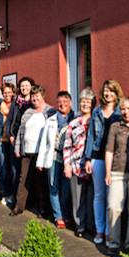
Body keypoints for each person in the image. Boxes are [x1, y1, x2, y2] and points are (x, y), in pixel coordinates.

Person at [83, 79, 124, 244]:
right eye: (106, 91)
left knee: (112, 198)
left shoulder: (121, 111)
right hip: (98, 158)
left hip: (115, 159)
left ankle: (109, 232)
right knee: (99, 195)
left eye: (111, 91)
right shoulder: (97, 111)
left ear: (116, 93)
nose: (108, 94)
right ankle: (100, 230)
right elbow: (91, 136)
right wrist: (87, 158)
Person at [105, 97, 129, 254]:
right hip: (117, 172)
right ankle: (113, 242)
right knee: (114, 207)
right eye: (123, 109)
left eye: (128, 108)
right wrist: (108, 173)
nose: (126, 112)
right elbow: (109, 150)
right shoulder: (115, 127)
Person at [10, 85, 51, 217]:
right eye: (32, 96)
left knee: (40, 181)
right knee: (23, 179)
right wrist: (17, 148)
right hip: (27, 151)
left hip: (41, 153)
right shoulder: (28, 112)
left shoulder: (50, 112)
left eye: (37, 96)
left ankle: (43, 209)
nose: (34, 98)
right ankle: (19, 206)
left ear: (42, 96)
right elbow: (21, 132)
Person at [37, 91, 75, 228]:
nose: (62, 104)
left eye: (65, 101)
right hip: (53, 156)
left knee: (66, 189)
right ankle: (58, 216)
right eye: (60, 101)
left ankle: (66, 214)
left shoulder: (75, 119)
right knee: (53, 186)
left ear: (70, 103)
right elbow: (44, 143)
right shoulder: (51, 120)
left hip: (69, 159)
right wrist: (40, 162)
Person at [63, 88, 95, 237]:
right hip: (76, 165)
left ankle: (91, 226)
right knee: (78, 198)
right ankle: (80, 226)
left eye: (88, 101)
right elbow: (67, 145)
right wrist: (67, 165)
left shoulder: (96, 120)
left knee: (92, 197)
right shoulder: (74, 123)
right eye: (82, 101)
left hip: (94, 165)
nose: (85, 104)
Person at [0, 82, 16, 205]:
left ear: (13, 93)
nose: (7, 95)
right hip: (1, 141)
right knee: (4, 168)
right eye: (5, 92)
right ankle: (6, 194)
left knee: (14, 169)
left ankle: (15, 194)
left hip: (13, 141)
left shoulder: (16, 106)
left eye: (9, 92)